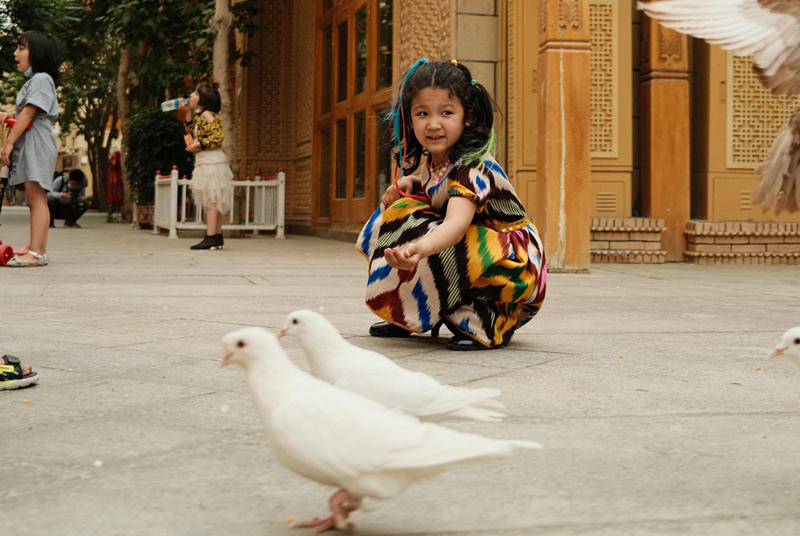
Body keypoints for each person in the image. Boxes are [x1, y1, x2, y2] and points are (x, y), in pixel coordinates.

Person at [356, 59, 547, 351]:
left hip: (512, 260)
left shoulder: (470, 167)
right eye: (422, 113)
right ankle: (409, 310)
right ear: (409, 118)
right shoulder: (436, 160)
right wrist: (414, 184)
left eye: (446, 112)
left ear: (467, 116)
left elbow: (456, 225)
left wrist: (419, 248)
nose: (433, 124)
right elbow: (438, 194)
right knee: (400, 211)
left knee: (436, 238)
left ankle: (484, 321)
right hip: (478, 243)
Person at [0, 31, 61, 267]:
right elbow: (25, 113)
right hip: (33, 138)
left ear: (36, 53)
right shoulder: (36, 80)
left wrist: (9, 143)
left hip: (36, 140)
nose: (16, 53)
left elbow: (29, 112)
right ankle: (38, 248)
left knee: (36, 197)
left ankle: (36, 253)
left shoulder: (41, 79)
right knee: (36, 197)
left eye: (21, 48)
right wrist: (9, 117)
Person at [177, 81, 233, 250]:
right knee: (213, 200)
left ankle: (211, 236)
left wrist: (199, 144)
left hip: (211, 162)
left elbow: (218, 137)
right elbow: (191, 130)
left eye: (195, 93)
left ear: (202, 100)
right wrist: (186, 114)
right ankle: (216, 236)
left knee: (211, 201)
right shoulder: (202, 116)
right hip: (208, 161)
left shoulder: (207, 115)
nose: (191, 95)